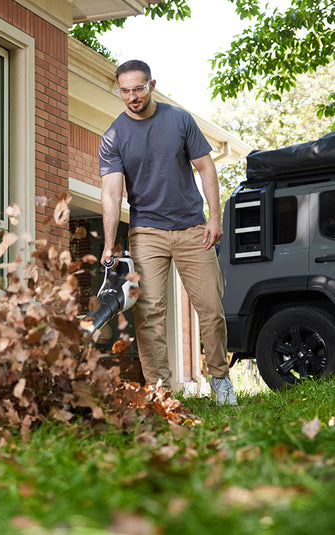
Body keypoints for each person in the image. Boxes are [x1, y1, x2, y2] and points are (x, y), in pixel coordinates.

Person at [99, 59, 237, 405]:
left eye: (138, 88)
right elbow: (112, 193)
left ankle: (220, 378)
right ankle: (160, 391)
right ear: (119, 90)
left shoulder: (179, 119)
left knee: (210, 308)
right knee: (149, 314)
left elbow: (205, 168)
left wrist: (214, 217)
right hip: (147, 233)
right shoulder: (113, 136)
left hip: (193, 228)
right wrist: (109, 240)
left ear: (152, 85)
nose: (132, 96)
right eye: (125, 90)